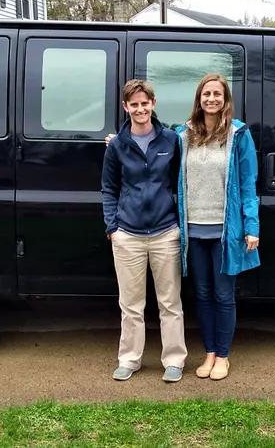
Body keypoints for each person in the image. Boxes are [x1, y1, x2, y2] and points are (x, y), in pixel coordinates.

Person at [101, 79, 187, 383]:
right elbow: (109, 188)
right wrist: (113, 226)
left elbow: (179, 183)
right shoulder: (117, 145)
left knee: (170, 302)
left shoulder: (170, 140)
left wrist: (177, 221)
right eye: (133, 104)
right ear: (126, 107)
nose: (140, 109)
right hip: (128, 235)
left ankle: (174, 360)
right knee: (131, 304)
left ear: (153, 103)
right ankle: (129, 359)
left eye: (144, 103)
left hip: (166, 232)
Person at [175, 73, 259, 381]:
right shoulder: (183, 135)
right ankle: (209, 352)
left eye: (217, 94)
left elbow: (248, 184)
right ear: (199, 99)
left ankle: (223, 356)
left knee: (224, 296)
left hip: (226, 231)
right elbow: (149, 143)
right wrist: (119, 141)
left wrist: (252, 226)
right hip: (193, 231)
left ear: (225, 100)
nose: (211, 99)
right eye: (206, 94)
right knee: (202, 293)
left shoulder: (239, 135)